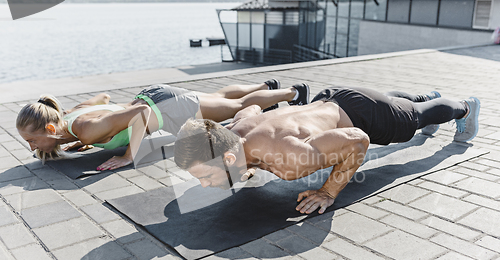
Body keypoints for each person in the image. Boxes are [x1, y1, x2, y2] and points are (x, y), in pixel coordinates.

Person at [173, 85, 481, 215]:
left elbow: (358, 140)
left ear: (228, 156)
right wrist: (245, 163)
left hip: (363, 117)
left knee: (414, 120)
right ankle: (423, 98)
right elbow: (252, 106)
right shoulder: (236, 128)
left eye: (205, 175)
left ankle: (465, 108)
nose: (203, 184)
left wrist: (330, 191)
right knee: (395, 105)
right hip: (334, 97)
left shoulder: (291, 159)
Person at [16, 80, 311, 170]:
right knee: (220, 97)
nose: (31, 147)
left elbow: (140, 114)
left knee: (235, 108)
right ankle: (266, 85)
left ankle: (294, 93)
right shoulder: (68, 117)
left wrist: (128, 155)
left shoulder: (82, 128)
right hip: (157, 96)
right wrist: (90, 137)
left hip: (166, 109)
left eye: (31, 140)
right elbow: (105, 96)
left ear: (50, 129)